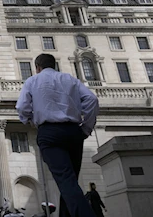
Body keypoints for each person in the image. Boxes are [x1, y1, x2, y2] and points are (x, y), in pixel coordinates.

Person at [16, 54, 99, 217]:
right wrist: (86, 128)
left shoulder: (32, 81)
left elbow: (21, 107)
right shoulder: (70, 79)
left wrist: (30, 119)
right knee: (69, 182)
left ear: (37, 67)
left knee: (66, 181)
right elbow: (92, 100)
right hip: (74, 132)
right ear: (54, 65)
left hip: (49, 133)